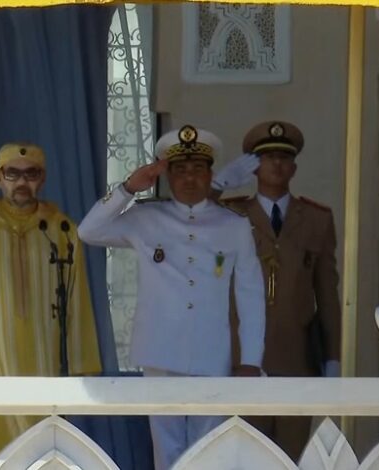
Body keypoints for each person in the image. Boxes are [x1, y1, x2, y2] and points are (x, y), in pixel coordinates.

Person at [78, 125, 266, 470]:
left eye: (198, 169)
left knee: (210, 449)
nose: (189, 178)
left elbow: (251, 295)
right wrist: (128, 188)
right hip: (160, 351)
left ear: (211, 174)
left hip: (213, 355)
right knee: (167, 451)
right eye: (180, 170)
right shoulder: (145, 217)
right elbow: (88, 231)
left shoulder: (233, 225)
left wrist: (251, 360)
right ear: (167, 176)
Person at [0, 142, 102, 470]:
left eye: (31, 174)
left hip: (46, 369)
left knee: (44, 455)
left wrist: (80, 368)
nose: (21, 182)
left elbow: (77, 301)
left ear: (42, 179)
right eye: (12, 173)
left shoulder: (61, 229)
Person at [212, 120, 341, 460]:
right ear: (254, 167)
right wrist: (219, 183)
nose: (277, 164)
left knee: (290, 455)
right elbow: (193, 217)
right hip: (242, 357)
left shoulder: (316, 219)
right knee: (246, 454)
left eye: (284, 157)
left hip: (297, 357)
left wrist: (333, 356)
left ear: (295, 166)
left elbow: (327, 294)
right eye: (267, 157)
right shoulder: (230, 213)